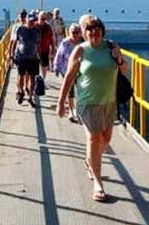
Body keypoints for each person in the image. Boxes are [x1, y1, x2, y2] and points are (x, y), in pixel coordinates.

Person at [57, 14, 127, 202]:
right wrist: (61, 101)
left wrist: (118, 59)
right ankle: (98, 183)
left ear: (102, 31)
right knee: (94, 138)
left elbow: (124, 70)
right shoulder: (80, 51)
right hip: (87, 103)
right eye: (89, 29)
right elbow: (69, 77)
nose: (94, 32)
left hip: (109, 102)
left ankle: (90, 160)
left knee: (106, 138)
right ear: (84, 33)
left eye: (97, 29)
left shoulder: (111, 47)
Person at [8, 11, 41, 105]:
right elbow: (14, 43)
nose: (32, 23)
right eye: (30, 21)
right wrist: (11, 55)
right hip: (21, 57)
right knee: (21, 76)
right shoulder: (20, 29)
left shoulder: (37, 30)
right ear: (26, 20)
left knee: (32, 78)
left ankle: (30, 96)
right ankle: (21, 91)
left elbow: (38, 44)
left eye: (33, 21)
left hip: (33, 58)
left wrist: (39, 55)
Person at [53, 23, 82, 122]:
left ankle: (78, 110)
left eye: (78, 32)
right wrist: (56, 67)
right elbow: (59, 55)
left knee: (79, 91)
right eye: (73, 32)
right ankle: (71, 111)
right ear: (69, 33)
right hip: (67, 70)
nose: (75, 34)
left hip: (81, 71)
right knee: (70, 92)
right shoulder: (65, 43)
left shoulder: (83, 43)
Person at [37, 11, 56, 83]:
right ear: (38, 18)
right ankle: (36, 80)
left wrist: (53, 48)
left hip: (45, 49)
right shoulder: (35, 26)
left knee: (44, 66)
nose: (43, 20)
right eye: (42, 18)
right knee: (35, 66)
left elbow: (51, 38)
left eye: (44, 19)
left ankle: (42, 80)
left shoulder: (48, 27)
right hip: (34, 50)